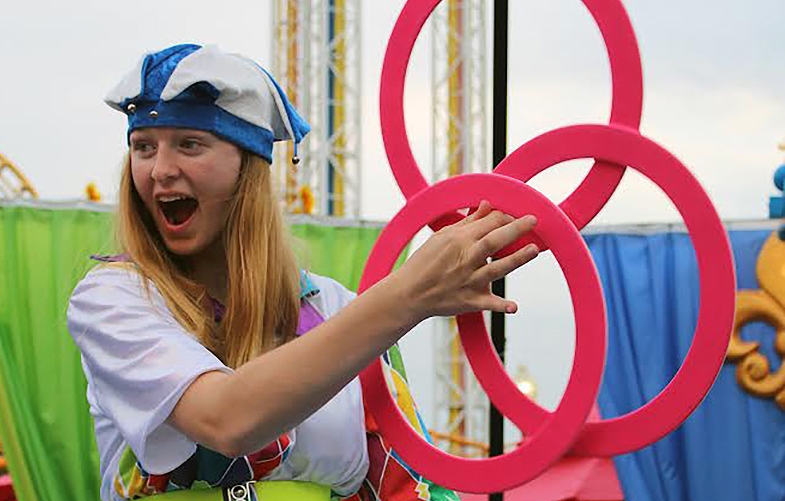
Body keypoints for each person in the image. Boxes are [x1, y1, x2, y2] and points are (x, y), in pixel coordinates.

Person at [67, 43, 540, 501]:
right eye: (143, 147)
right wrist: (407, 295)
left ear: (248, 169)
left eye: (190, 144)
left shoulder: (336, 309)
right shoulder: (113, 299)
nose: (159, 170)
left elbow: (404, 486)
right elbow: (226, 421)